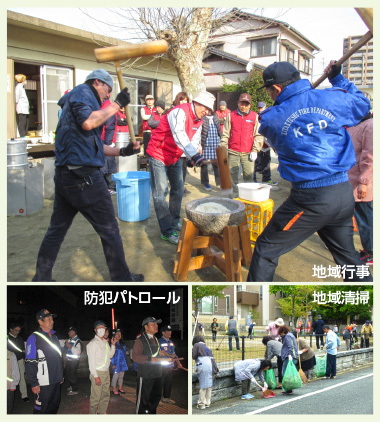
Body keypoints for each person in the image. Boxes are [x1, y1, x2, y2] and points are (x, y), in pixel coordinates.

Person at [247, 60, 372, 282]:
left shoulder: (272, 117)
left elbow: (266, 126)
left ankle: (254, 299)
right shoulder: (330, 97)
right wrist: (338, 79)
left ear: (276, 89)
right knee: (349, 257)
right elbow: (363, 104)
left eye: (268, 90)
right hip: (343, 192)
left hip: (312, 198)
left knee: (266, 248)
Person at [31, 69, 143, 282]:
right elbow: (89, 123)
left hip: (66, 177)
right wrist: (117, 104)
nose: (107, 96)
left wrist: (123, 151)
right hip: (84, 179)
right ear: (97, 82)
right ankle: (123, 281)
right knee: (110, 230)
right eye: (107, 91)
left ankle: (41, 277)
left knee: (56, 231)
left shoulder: (75, 105)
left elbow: (94, 144)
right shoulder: (83, 92)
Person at [146, 91, 215, 245]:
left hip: (175, 155)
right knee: (160, 192)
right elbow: (179, 134)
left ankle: (173, 220)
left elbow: (194, 141)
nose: (207, 112)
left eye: (210, 110)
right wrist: (194, 155)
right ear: (197, 103)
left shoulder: (200, 120)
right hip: (159, 152)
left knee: (178, 189)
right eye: (206, 108)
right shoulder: (179, 111)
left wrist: (192, 158)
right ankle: (167, 231)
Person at [219, 93, 264, 196]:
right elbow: (225, 133)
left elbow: (258, 134)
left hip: (248, 153)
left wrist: (255, 150)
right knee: (232, 177)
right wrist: (223, 147)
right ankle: (234, 199)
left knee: (248, 177)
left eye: (246, 104)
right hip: (233, 151)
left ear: (250, 105)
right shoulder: (231, 115)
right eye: (241, 103)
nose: (243, 106)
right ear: (237, 103)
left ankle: (247, 198)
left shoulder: (255, 116)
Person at [25, 309, 64, 414]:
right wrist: (34, 383)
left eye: (52, 319)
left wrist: (60, 375)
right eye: (48, 319)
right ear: (40, 321)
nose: (52, 321)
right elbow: (30, 362)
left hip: (56, 379)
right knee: (41, 409)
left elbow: (59, 357)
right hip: (43, 382)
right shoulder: (33, 338)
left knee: (53, 407)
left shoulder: (55, 337)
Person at [347, 113, 373, 265]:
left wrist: (363, 181)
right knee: (362, 217)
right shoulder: (358, 125)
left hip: (363, 183)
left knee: (366, 219)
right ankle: (368, 248)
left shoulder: (370, 126)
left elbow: (370, 158)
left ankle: (371, 252)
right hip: (354, 180)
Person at [132, 316, 171, 414]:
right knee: (143, 401)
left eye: (156, 324)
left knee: (155, 399)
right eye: (153, 324)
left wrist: (164, 354)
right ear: (146, 327)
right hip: (146, 375)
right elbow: (135, 357)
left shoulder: (156, 339)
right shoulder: (140, 340)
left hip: (157, 374)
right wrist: (149, 359)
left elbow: (156, 352)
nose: (156, 326)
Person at [87, 320, 116, 414]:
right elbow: (91, 362)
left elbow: (110, 355)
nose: (102, 330)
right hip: (98, 373)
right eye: (99, 328)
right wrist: (95, 376)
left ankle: (102, 413)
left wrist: (113, 345)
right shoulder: (92, 343)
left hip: (106, 372)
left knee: (105, 396)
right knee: (95, 398)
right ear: (95, 330)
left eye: (103, 328)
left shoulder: (105, 342)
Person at [166, 92, 191, 195]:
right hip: (173, 145)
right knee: (177, 167)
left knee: (184, 168)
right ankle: (176, 186)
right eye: (181, 100)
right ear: (177, 100)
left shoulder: (188, 113)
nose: (184, 102)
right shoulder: (171, 111)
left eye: (186, 100)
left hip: (185, 144)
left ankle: (182, 186)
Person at [253, 101, 278, 188]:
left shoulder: (268, 117)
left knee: (266, 163)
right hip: (257, 146)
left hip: (266, 146)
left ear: (265, 107)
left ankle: (266, 179)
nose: (260, 109)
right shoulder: (255, 117)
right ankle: (253, 181)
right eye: (259, 108)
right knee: (254, 164)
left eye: (261, 108)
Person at [192, 335, 219, 409]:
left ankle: (201, 404)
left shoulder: (196, 345)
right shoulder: (207, 348)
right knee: (209, 386)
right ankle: (207, 402)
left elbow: (193, 356)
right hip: (213, 367)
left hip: (205, 366)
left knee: (203, 385)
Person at [158, 325, 182, 404]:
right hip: (161, 366)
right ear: (163, 333)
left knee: (168, 382)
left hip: (170, 366)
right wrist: (169, 355)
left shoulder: (171, 342)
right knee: (160, 383)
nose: (170, 332)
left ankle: (166, 397)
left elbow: (174, 354)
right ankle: (157, 399)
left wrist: (178, 363)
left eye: (170, 331)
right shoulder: (159, 341)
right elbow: (160, 352)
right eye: (168, 331)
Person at [100, 95, 118, 193]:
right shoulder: (100, 107)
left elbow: (110, 127)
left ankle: (112, 187)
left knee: (109, 165)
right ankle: (106, 187)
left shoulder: (107, 108)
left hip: (107, 141)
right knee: (104, 165)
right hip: (101, 140)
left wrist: (108, 142)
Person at [7, 322, 29, 402]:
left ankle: (24, 395)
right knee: (9, 378)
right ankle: (7, 394)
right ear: (11, 329)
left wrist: (23, 359)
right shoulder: (7, 338)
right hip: (9, 361)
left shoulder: (20, 338)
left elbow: (23, 350)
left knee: (21, 377)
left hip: (19, 360)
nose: (17, 332)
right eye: (16, 330)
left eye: (19, 330)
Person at [200, 113, 222, 191]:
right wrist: (200, 144)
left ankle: (219, 182)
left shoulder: (215, 117)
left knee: (217, 164)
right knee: (204, 164)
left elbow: (219, 130)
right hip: (205, 144)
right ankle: (205, 182)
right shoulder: (202, 117)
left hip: (216, 143)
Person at [277, 325, 298, 395]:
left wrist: (289, 355)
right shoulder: (291, 335)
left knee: (285, 373)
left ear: (283, 331)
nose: (280, 334)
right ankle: (289, 389)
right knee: (289, 373)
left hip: (289, 357)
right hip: (293, 356)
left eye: (280, 333)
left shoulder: (287, 336)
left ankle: (288, 389)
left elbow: (290, 346)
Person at [110, 329, 129, 395]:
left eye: (120, 334)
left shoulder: (122, 344)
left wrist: (127, 352)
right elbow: (111, 355)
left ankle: (120, 388)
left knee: (121, 376)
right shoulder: (113, 344)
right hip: (116, 364)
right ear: (114, 335)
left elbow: (127, 350)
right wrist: (113, 363)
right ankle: (114, 388)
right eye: (117, 333)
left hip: (123, 363)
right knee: (115, 376)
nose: (119, 335)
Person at [65, 327, 82, 396]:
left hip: (74, 361)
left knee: (72, 375)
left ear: (74, 332)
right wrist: (66, 344)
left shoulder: (77, 340)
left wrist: (70, 347)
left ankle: (75, 390)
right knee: (67, 373)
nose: (69, 333)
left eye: (70, 332)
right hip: (69, 360)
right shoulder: (70, 339)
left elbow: (78, 351)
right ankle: (71, 386)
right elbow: (65, 347)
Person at [7, 349, 20, 414]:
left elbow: (15, 370)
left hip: (8, 386)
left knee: (9, 407)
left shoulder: (11, 354)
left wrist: (14, 384)